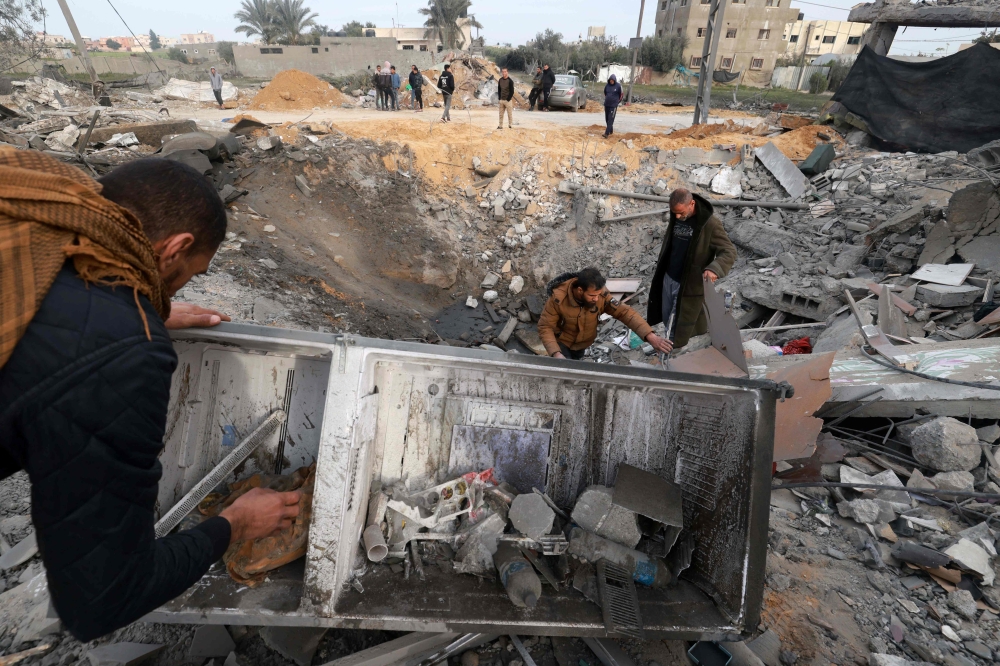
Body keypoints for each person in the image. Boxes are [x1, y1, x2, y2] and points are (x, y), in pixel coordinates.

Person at [0, 150, 302, 640]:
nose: (175, 291)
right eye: (188, 275)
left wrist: (140, 303)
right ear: (174, 249)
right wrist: (233, 525)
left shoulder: (34, 217)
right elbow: (102, 597)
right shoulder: (122, 354)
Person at [647, 188, 737, 350]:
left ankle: (674, 352)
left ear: (692, 204)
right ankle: (669, 346)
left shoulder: (709, 224)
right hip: (668, 278)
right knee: (667, 317)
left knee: (679, 323)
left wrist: (715, 269)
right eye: (674, 213)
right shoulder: (678, 216)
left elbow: (729, 251)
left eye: (680, 212)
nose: (677, 217)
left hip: (688, 284)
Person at [538, 268, 672, 360]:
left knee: (576, 366)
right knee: (565, 374)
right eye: (592, 296)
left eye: (598, 295)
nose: (596, 299)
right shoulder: (558, 299)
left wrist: (650, 336)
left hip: (582, 344)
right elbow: (545, 327)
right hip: (562, 343)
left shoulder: (600, 295)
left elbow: (625, 313)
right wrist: (556, 353)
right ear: (579, 290)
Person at [603, 74, 623, 138]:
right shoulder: (607, 85)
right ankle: (610, 130)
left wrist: (617, 102)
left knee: (610, 119)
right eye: (610, 80)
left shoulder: (618, 86)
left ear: (614, 80)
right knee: (607, 119)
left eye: (612, 80)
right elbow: (605, 93)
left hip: (613, 105)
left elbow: (621, 95)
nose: (611, 81)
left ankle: (606, 133)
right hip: (607, 104)